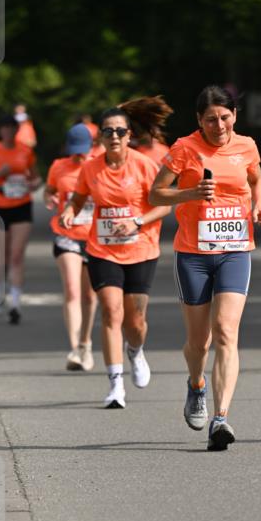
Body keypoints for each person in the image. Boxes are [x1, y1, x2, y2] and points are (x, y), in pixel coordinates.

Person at [149, 84, 261, 451]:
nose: (219, 125)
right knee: (198, 342)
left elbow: (257, 179)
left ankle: (221, 418)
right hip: (194, 254)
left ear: (234, 115)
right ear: (198, 121)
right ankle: (196, 384)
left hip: (235, 250)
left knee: (225, 332)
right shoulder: (184, 149)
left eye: (224, 117)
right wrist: (189, 194)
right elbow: (156, 194)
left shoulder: (246, 145)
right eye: (210, 119)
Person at [60, 98, 172, 409]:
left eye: (119, 131)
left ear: (129, 135)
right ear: (99, 137)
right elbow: (78, 198)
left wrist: (136, 220)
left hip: (141, 249)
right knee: (111, 312)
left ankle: (135, 351)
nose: (114, 136)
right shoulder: (90, 168)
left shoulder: (145, 165)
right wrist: (70, 211)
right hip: (102, 249)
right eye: (108, 131)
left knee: (135, 322)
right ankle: (115, 385)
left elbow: (163, 204)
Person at [0, 113, 42, 323]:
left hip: (22, 205)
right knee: (2, 255)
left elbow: (36, 177)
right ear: (0, 131)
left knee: (16, 256)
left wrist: (34, 184)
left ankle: (15, 303)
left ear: (16, 130)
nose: (9, 132)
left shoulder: (25, 151)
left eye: (12, 128)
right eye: (4, 128)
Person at [44, 123, 98, 371]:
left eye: (83, 150)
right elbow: (49, 191)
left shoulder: (100, 164)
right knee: (72, 290)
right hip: (66, 235)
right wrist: (50, 199)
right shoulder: (58, 166)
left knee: (89, 295)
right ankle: (75, 347)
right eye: (75, 150)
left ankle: (85, 343)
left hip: (96, 237)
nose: (79, 155)